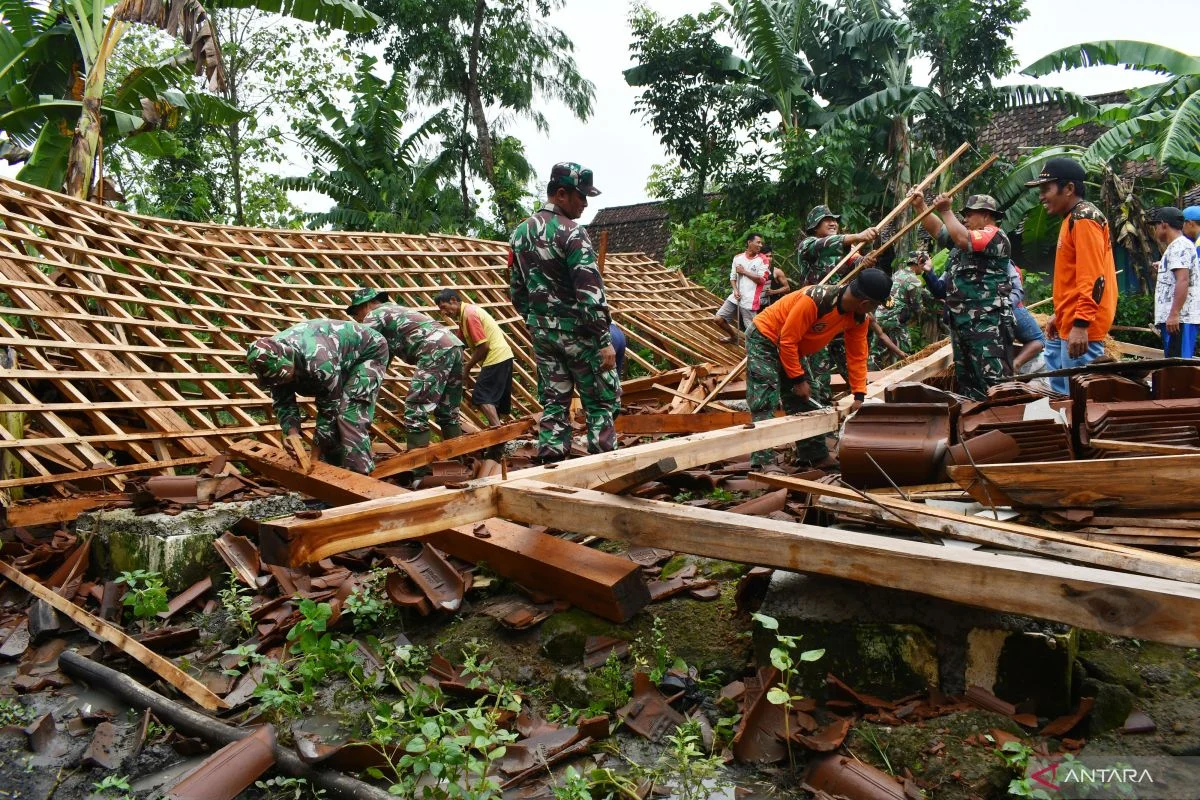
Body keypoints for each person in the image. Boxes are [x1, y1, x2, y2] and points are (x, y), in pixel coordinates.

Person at [510, 162, 619, 463]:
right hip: (580, 335)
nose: (585, 204)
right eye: (581, 196)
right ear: (561, 194)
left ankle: (552, 466)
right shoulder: (573, 233)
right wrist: (603, 340)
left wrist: (537, 322)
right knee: (599, 402)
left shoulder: (520, 233)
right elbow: (589, 292)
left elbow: (517, 289)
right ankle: (604, 470)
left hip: (543, 334)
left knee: (554, 403)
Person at [746, 269, 893, 469]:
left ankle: (813, 456)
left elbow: (857, 356)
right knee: (765, 397)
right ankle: (763, 462)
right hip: (765, 337)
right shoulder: (815, 301)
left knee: (807, 398)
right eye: (875, 306)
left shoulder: (859, 318)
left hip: (794, 347)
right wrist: (798, 380)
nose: (872, 311)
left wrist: (859, 395)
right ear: (865, 303)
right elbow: (787, 340)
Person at [246, 319, 388, 475]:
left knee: (348, 414)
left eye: (285, 376)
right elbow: (283, 402)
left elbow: (329, 412)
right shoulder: (269, 363)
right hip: (337, 355)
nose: (284, 382)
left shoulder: (320, 362)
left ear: (288, 358)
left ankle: (359, 475)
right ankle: (334, 470)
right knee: (330, 429)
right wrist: (291, 432)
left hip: (369, 351)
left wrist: (313, 459)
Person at [908, 191, 1015, 400]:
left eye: (969, 214)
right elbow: (939, 230)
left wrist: (946, 210)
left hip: (987, 323)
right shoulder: (962, 244)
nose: (965, 219)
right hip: (963, 324)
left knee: (994, 383)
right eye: (963, 215)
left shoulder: (994, 235)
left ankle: (1003, 419)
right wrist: (921, 207)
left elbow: (962, 238)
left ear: (986, 215)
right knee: (969, 384)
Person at [1025, 158, 1118, 394]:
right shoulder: (1071, 218)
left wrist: (1081, 324)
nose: (1041, 197)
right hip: (1068, 322)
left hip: (1082, 327)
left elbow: (1093, 278)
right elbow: (1074, 277)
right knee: (1061, 395)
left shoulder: (1084, 219)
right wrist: (1060, 315)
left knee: (1079, 399)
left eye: (1046, 189)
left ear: (1068, 188)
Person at [347, 287, 466, 455]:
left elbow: (363, 347)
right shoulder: (395, 311)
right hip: (454, 347)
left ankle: (418, 465)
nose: (357, 318)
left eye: (356, 313)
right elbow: (382, 357)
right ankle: (460, 458)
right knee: (448, 409)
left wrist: (351, 379)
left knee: (416, 408)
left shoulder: (374, 315)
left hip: (434, 350)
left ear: (365, 305)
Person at [435, 289, 515, 428]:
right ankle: (500, 431)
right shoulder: (464, 316)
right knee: (494, 399)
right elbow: (459, 343)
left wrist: (466, 368)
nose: (443, 313)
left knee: (481, 396)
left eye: (444, 307)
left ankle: (498, 430)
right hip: (504, 356)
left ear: (453, 300)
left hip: (496, 357)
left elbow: (484, 346)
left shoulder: (469, 315)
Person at [1150, 206, 1200, 358]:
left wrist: (1174, 314)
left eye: (1156, 226)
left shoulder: (1179, 246)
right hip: (1177, 319)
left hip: (1180, 319)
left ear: (1164, 225)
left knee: (1179, 365)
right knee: (1173, 364)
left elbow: (1183, 280)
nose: (1155, 230)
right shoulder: (1177, 246)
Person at [869, 252, 925, 368]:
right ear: (918, 263)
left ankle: (871, 373)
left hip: (880, 315)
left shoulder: (898, 273)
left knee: (877, 352)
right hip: (895, 319)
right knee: (903, 351)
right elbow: (917, 307)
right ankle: (901, 374)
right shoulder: (915, 281)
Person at [713, 232, 768, 342]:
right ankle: (733, 337)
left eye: (761, 243)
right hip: (735, 297)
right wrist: (735, 290)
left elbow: (762, 280)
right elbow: (732, 277)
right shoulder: (738, 258)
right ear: (749, 242)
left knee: (751, 331)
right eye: (758, 242)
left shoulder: (763, 260)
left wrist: (744, 272)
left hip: (750, 300)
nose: (760, 245)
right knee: (718, 319)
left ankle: (756, 349)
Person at [756, 244, 791, 311]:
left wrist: (774, 292)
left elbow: (787, 288)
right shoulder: (755, 272)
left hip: (773, 306)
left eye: (770, 256)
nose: (769, 258)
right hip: (758, 305)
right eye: (766, 256)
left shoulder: (777, 271)